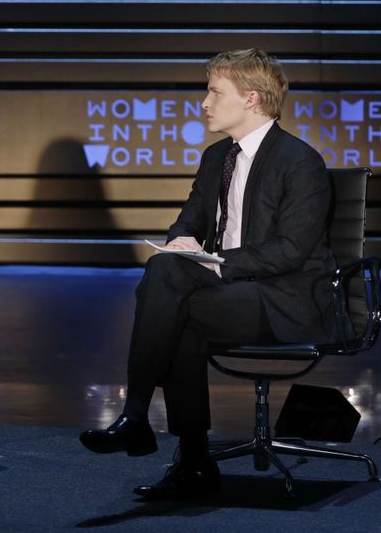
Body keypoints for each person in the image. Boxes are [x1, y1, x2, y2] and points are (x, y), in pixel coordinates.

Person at [79, 48, 341, 499]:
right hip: (232, 291)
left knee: (179, 302)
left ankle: (174, 444)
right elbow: (189, 220)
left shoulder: (300, 162)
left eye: (215, 92)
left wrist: (216, 263)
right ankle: (157, 433)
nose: (204, 102)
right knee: (169, 273)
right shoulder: (216, 156)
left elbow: (290, 252)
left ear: (253, 99)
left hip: (285, 298)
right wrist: (183, 242)